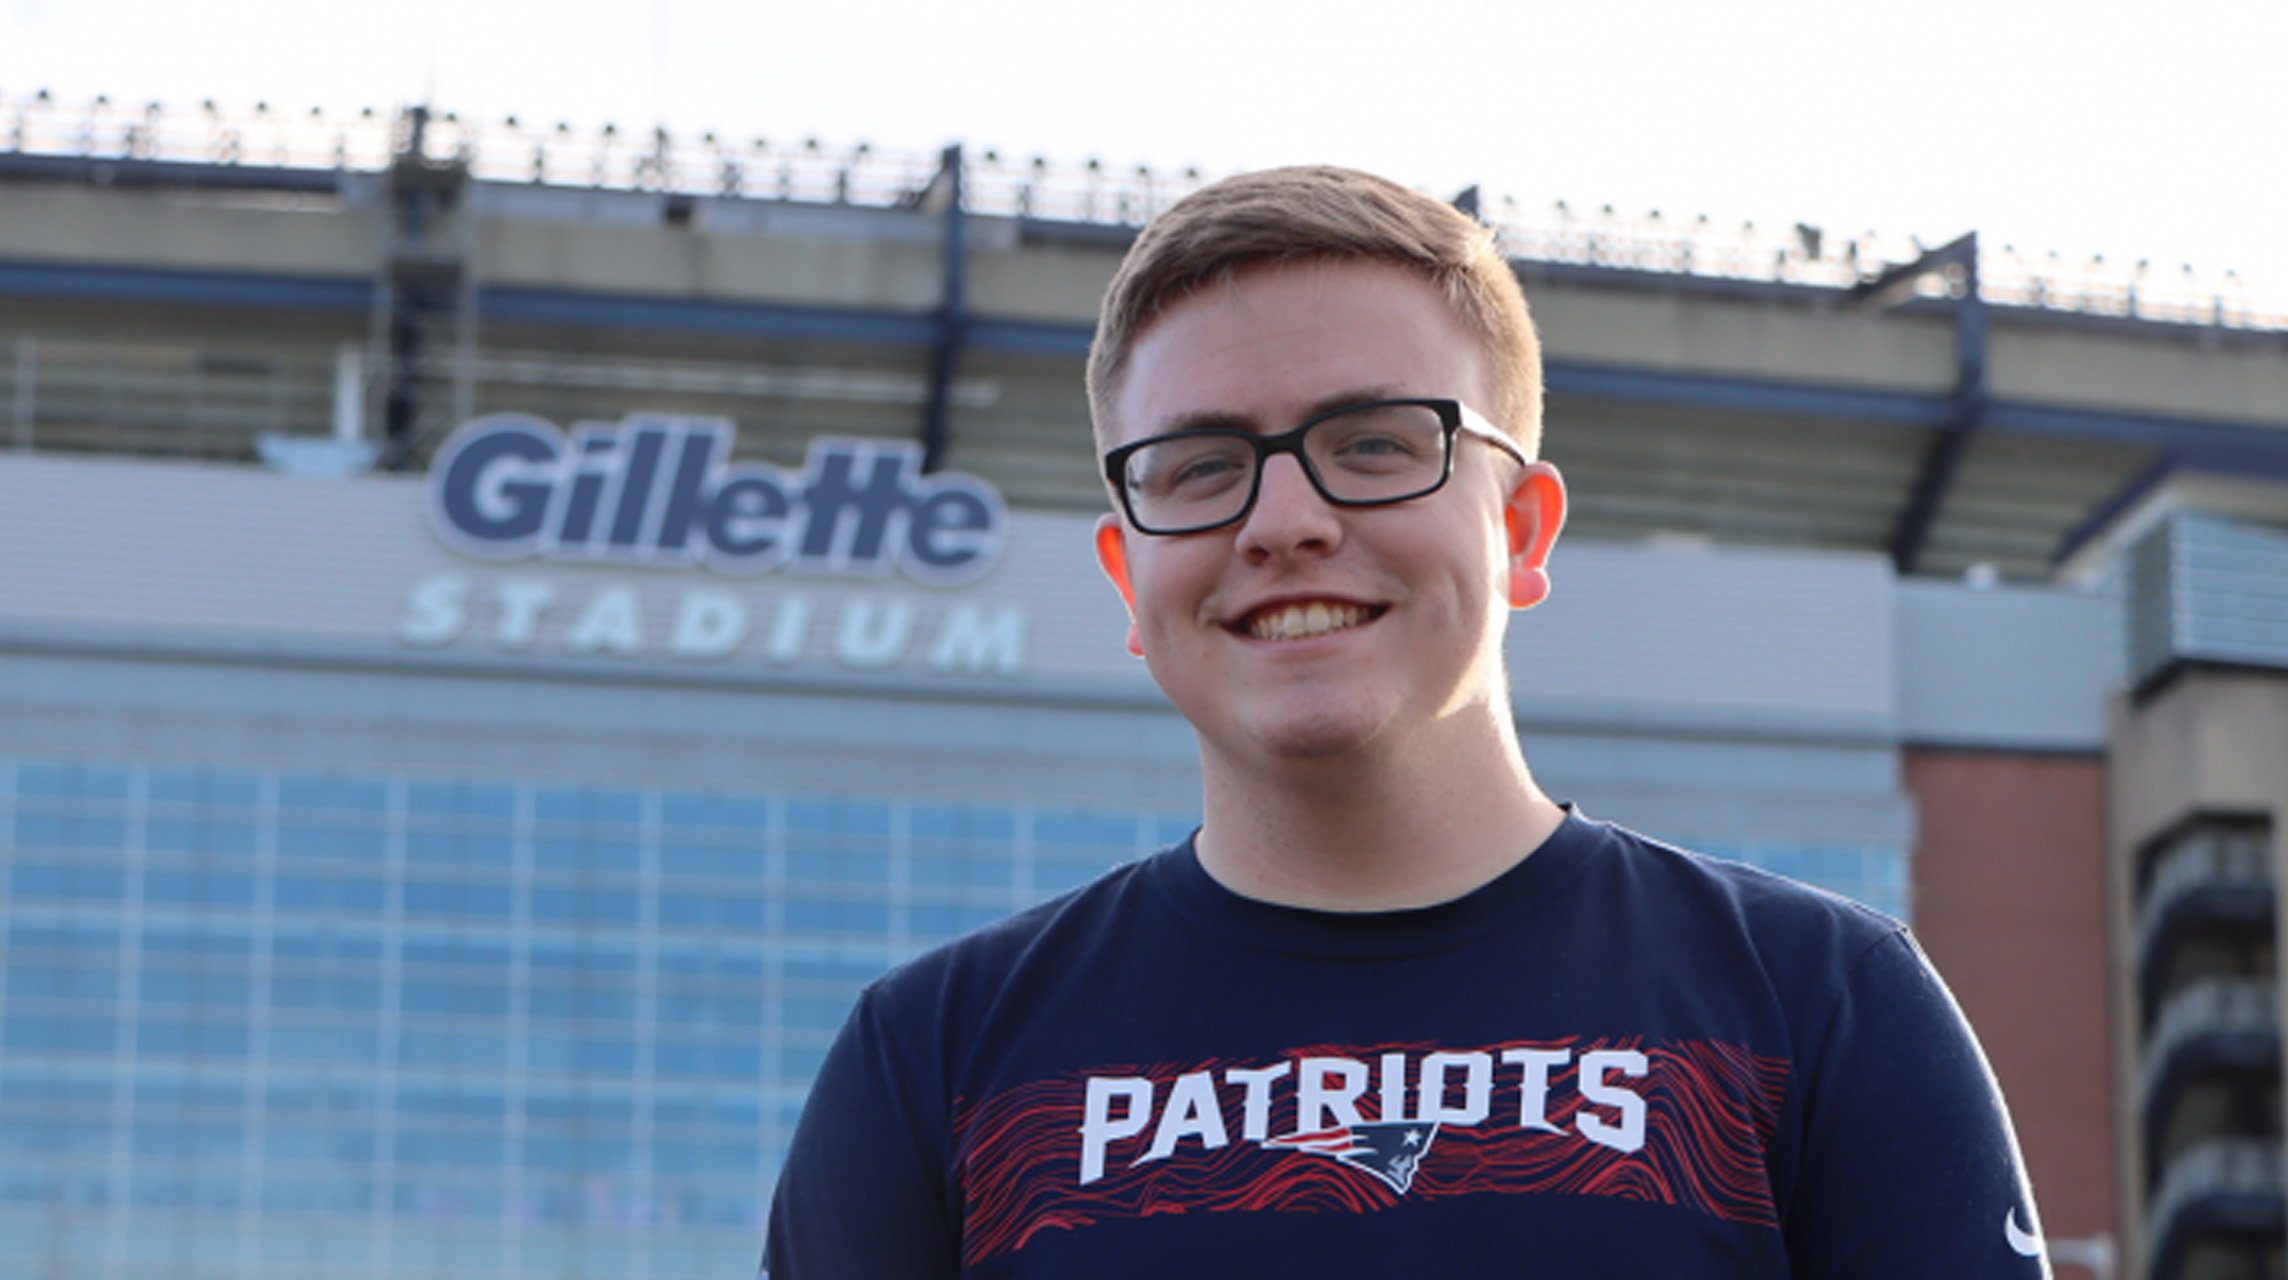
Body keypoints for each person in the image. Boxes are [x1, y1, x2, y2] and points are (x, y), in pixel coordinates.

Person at [762, 166, 2047, 1278]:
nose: (1282, 521)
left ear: (1523, 531)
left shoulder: (1815, 1006)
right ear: (1127, 578)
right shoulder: (936, 1061)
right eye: (1200, 466)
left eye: (1374, 443)